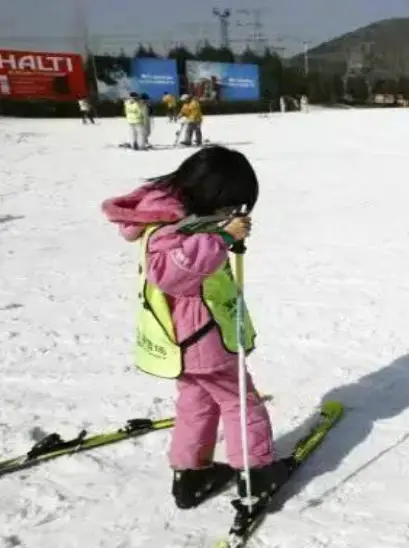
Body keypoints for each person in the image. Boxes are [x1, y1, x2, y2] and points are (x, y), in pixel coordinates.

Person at [100, 146, 289, 510]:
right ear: (210, 193)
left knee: (196, 402)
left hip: (186, 339)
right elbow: (174, 273)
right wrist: (222, 239)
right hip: (202, 337)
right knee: (240, 402)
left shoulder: (180, 212)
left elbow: (193, 244)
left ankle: (191, 473)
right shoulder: (166, 228)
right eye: (229, 206)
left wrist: (221, 232)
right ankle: (257, 474)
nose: (231, 214)